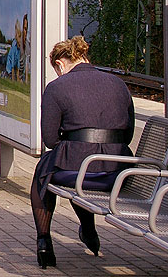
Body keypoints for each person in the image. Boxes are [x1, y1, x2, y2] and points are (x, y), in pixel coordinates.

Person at [30, 36, 134, 269]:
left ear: (60, 64)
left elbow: (50, 139)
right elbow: (128, 133)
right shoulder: (118, 84)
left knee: (46, 170)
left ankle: (44, 241)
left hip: (77, 170)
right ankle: (88, 230)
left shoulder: (57, 87)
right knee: (76, 168)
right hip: (117, 172)